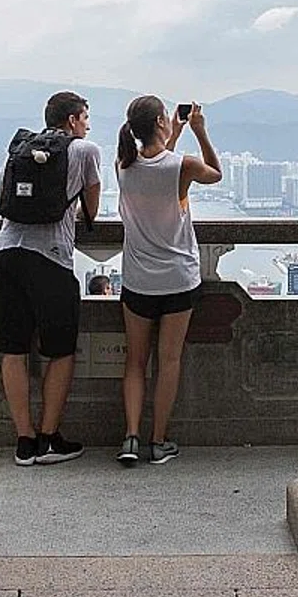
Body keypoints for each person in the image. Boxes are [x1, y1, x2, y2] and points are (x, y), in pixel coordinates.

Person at [0, 90, 101, 466]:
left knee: (13, 349)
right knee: (61, 350)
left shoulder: (22, 147)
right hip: (51, 256)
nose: (87, 125)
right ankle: (49, 438)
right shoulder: (84, 151)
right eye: (85, 118)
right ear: (72, 120)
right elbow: (92, 209)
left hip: (6, 253)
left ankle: (24, 442)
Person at [114, 95, 220, 466]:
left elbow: (157, 167)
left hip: (138, 280)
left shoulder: (123, 166)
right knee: (168, 361)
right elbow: (214, 172)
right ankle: (158, 442)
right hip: (177, 279)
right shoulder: (183, 165)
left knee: (135, 363)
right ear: (162, 121)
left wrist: (171, 134)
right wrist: (199, 132)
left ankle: (130, 437)